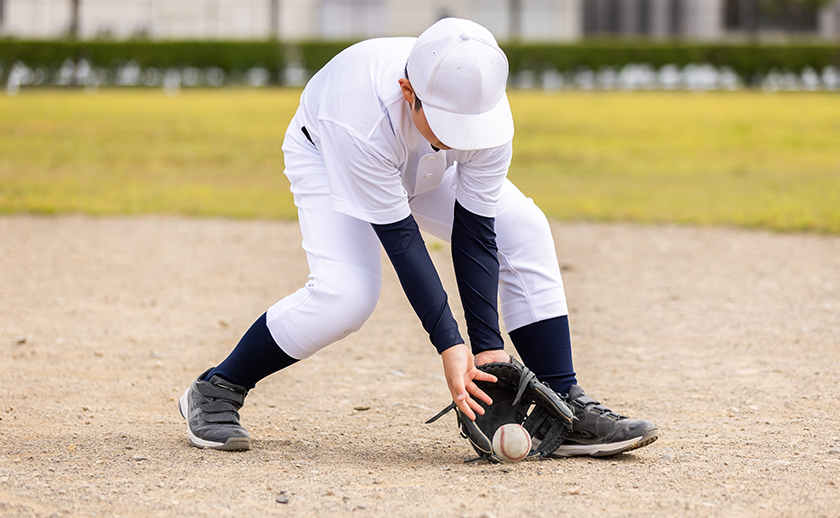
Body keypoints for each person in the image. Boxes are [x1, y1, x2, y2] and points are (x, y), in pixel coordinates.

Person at [179, 17, 659, 458]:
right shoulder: (358, 116)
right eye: (452, 125)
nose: (463, 135)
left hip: (424, 159)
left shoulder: (480, 105)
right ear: (409, 90)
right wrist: (451, 347)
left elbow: (476, 232)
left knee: (523, 228)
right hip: (329, 154)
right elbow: (403, 241)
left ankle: (564, 404)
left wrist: (488, 351)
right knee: (346, 296)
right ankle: (217, 388)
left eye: (471, 126)